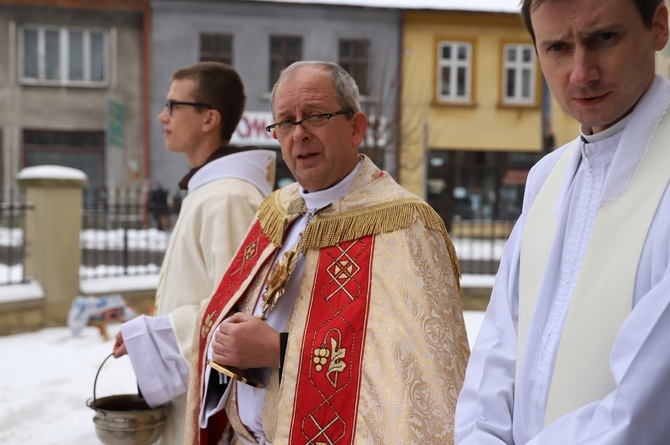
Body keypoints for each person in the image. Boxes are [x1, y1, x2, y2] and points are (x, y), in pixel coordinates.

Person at [184, 61, 470, 444]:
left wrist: (279, 351)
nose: (298, 134)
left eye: (315, 116)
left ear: (356, 128)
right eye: (285, 121)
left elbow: (414, 372)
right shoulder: (276, 210)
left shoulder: (405, 224)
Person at [455, 1, 670, 443]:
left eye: (603, 38)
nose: (580, 73)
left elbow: (644, 403)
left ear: (658, 28)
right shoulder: (546, 178)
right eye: (556, 47)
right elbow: (497, 349)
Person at [112, 61, 277, 445]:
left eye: (173, 106)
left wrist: (153, 335)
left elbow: (240, 310)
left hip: (211, 408)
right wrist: (148, 332)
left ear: (209, 119)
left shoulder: (231, 196)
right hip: (187, 390)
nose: (161, 116)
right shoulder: (210, 189)